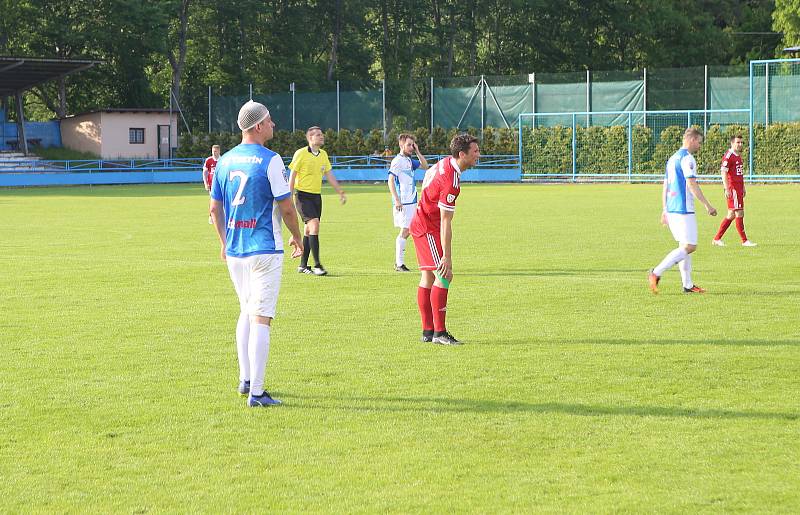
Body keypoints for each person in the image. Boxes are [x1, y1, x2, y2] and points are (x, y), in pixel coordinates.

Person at [209, 100, 304, 408]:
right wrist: (298, 238)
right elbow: (287, 207)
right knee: (262, 319)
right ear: (258, 126)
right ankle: (258, 392)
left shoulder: (223, 161)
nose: (274, 125)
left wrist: (224, 242)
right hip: (264, 247)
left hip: (236, 250)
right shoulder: (271, 160)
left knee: (245, 311)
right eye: (270, 121)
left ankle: (245, 378)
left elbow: (214, 208)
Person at [410, 133, 480, 345]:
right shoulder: (451, 180)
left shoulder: (445, 163)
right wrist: (446, 257)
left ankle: (428, 331)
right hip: (428, 227)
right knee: (444, 275)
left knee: (428, 277)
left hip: (422, 222)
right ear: (462, 154)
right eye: (475, 151)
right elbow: (445, 221)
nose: (478, 155)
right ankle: (439, 333)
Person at [648, 127, 717, 294]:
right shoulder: (687, 159)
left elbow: (665, 185)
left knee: (684, 245)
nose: (700, 146)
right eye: (699, 142)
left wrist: (665, 209)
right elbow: (692, 184)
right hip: (683, 209)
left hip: (672, 208)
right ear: (692, 140)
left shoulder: (672, 159)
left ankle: (688, 285)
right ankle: (656, 272)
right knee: (690, 246)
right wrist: (707, 205)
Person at [288, 126, 346, 276]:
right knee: (314, 226)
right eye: (318, 135)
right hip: (302, 196)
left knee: (308, 230)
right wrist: (288, 196)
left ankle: (302, 265)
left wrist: (339, 191)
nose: (322, 137)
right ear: (310, 138)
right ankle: (318, 265)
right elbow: (292, 175)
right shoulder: (300, 154)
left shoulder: (323, 155)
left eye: (322, 134)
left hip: (316, 197)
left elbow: (329, 175)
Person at [388, 134, 428, 272]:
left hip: (412, 201)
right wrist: (397, 199)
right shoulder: (397, 161)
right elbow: (390, 180)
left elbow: (425, 165)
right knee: (406, 230)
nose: (411, 147)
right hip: (403, 202)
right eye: (409, 145)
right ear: (401, 145)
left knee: (410, 229)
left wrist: (417, 151)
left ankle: (400, 263)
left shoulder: (409, 160)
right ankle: (399, 264)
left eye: (413, 144)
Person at [712, 134, 757, 247]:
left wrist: (743, 187)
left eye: (741, 142)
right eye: (738, 142)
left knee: (731, 214)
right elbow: (723, 172)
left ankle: (717, 238)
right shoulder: (729, 156)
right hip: (733, 189)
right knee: (739, 212)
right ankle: (744, 241)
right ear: (732, 143)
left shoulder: (737, 155)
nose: (740, 144)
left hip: (738, 188)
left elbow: (739, 173)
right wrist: (727, 188)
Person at [202, 145, 221, 224]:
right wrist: (205, 183)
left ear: (219, 151)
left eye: (215, 151)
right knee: (212, 200)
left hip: (221, 184)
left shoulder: (223, 160)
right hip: (212, 184)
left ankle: (222, 217)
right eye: (213, 151)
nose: (214, 153)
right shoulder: (209, 160)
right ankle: (211, 216)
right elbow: (205, 172)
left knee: (222, 201)